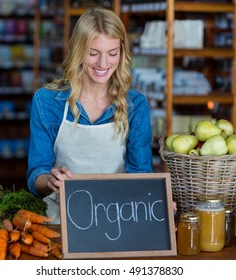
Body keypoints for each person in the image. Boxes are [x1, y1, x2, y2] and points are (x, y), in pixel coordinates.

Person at [27, 7, 153, 224]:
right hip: (60, 224)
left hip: (118, 221)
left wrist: (153, 200)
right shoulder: (46, 102)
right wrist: (50, 179)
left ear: (122, 53)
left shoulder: (135, 105)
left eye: (112, 53)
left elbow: (140, 174)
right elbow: (36, 174)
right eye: (93, 53)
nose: (103, 64)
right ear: (78, 50)